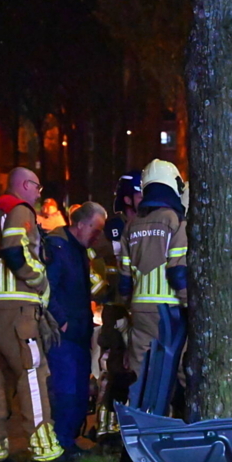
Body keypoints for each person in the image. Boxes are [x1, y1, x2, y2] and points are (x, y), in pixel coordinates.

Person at [0, 167, 63, 462]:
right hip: (18, 307)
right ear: (24, 185)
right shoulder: (19, 210)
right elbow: (12, 249)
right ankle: (44, 447)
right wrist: (37, 279)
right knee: (32, 371)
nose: (39, 194)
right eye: (37, 187)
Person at [43, 202, 107, 458]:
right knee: (67, 390)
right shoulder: (58, 247)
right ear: (80, 224)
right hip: (66, 333)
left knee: (80, 389)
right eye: (95, 229)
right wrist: (62, 320)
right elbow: (48, 287)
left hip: (80, 329)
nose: (97, 236)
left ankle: (69, 441)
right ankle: (61, 444)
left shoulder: (80, 249)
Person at [120, 160, 189, 380]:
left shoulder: (131, 225)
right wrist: (190, 304)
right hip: (170, 311)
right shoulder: (175, 220)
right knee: (176, 371)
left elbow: (124, 279)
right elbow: (178, 272)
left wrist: (126, 308)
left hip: (139, 311)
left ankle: (144, 413)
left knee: (143, 377)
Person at [93, 171, 142, 446]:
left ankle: (131, 425)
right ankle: (106, 427)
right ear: (127, 198)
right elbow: (93, 263)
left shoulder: (148, 226)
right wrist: (107, 293)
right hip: (117, 310)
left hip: (141, 309)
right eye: (139, 193)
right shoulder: (113, 229)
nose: (145, 199)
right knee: (114, 367)